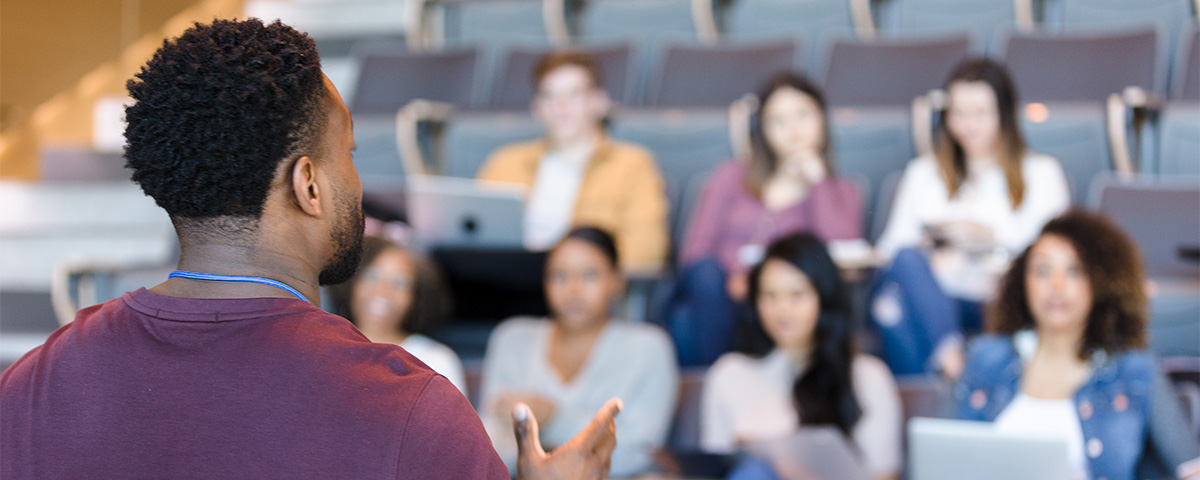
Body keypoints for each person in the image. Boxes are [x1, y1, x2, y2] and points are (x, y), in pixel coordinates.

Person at [0, 18, 620, 480]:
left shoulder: (34, 382)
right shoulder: (411, 410)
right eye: (347, 154)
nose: (357, 179)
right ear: (309, 184)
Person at [957, 210, 1200, 480]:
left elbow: (1192, 470)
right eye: (1043, 270)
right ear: (1022, 283)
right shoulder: (985, 359)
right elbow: (937, 457)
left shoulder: (1135, 370)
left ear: (1101, 283)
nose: (1056, 285)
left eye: (1074, 271)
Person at [871, 58, 1070, 377]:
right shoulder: (923, 172)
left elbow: (1054, 251)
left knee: (889, 311)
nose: (969, 125)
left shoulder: (1042, 173)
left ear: (1003, 115)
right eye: (959, 114)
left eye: (980, 113)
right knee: (903, 272)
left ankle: (935, 398)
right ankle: (952, 362)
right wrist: (931, 250)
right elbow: (891, 252)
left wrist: (991, 241)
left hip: (1001, 295)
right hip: (939, 291)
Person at [669, 72, 864, 366]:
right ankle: (717, 383)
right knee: (704, 280)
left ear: (822, 120)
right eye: (778, 121)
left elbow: (843, 259)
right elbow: (694, 252)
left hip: (788, 304)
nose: (793, 130)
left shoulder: (842, 191)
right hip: (724, 297)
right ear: (762, 130)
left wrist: (818, 183)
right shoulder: (730, 176)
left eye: (803, 116)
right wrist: (737, 278)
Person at [480, 227, 678, 478]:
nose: (573, 289)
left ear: (617, 281)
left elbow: (638, 453)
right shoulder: (512, 338)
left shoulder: (650, 348)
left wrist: (553, 417)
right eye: (560, 276)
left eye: (589, 275)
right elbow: (488, 442)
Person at [701, 233, 902, 480]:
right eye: (769, 296)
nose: (782, 309)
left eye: (796, 295)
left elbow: (883, 474)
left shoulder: (867, 377)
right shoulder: (728, 374)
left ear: (824, 297)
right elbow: (714, 469)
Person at [478, 51, 669, 273]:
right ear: (536, 107)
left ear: (600, 102)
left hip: (581, 283)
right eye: (550, 96)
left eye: (574, 94)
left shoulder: (633, 164)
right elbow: (475, 235)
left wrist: (575, 264)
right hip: (506, 275)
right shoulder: (504, 162)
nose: (561, 105)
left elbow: (647, 250)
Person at [329, 235, 467, 395]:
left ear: (415, 297)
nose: (383, 291)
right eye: (371, 277)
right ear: (351, 282)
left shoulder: (435, 360)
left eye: (399, 283)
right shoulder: (327, 350)